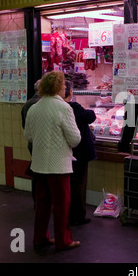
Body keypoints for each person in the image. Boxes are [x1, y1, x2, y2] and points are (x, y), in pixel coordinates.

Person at [24, 71, 81, 251]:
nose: (65, 87)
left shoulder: (34, 107)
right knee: (62, 205)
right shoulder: (64, 108)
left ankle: (39, 238)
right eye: (63, 85)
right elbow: (74, 139)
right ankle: (63, 241)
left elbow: (29, 136)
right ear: (57, 87)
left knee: (42, 203)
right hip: (58, 165)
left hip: (39, 164)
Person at [63, 80, 97, 226]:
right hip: (80, 151)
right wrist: (90, 110)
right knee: (79, 183)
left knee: (70, 183)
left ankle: (69, 213)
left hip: (67, 151)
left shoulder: (59, 107)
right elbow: (90, 117)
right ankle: (78, 215)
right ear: (70, 92)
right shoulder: (72, 106)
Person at [21, 79, 41, 206]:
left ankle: (37, 201)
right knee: (40, 174)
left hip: (32, 143)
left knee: (36, 172)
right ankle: (41, 202)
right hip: (41, 144)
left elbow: (25, 127)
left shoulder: (27, 104)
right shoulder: (39, 104)